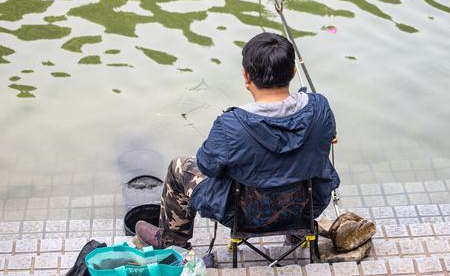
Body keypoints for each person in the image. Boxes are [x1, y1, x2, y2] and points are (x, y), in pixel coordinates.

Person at [135, 32, 339, 249]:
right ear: (293, 71)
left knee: (179, 167)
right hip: (305, 208)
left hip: (244, 216)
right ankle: (296, 232)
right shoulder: (320, 108)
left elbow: (206, 165)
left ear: (246, 76)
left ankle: (171, 243)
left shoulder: (230, 125)